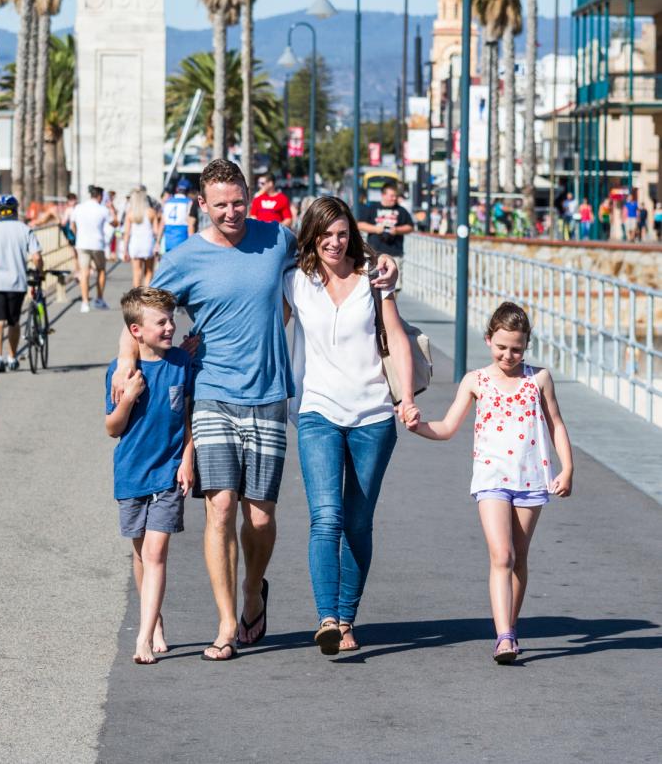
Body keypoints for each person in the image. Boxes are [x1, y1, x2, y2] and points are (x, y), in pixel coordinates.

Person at [111, 159, 400, 661]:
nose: (231, 212)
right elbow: (141, 309)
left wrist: (382, 260)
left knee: (260, 518)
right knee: (220, 505)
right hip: (212, 391)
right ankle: (226, 622)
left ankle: (252, 590)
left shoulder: (275, 239)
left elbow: (331, 245)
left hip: (268, 394)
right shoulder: (184, 258)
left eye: (238, 202)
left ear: (249, 196)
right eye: (220, 204)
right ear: (202, 204)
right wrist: (123, 361)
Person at [284, 196, 419, 655]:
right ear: (311, 236)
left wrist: (406, 398)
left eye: (342, 234)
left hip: (373, 415)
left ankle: (346, 618)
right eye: (326, 234)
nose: (334, 242)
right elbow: (265, 325)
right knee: (327, 517)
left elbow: (395, 336)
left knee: (358, 522)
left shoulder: (373, 279)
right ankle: (326, 618)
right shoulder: (295, 282)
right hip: (317, 411)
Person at [414, 301, 574, 664]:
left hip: (531, 478)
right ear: (488, 339)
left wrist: (567, 469)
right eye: (501, 347)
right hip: (491, 478)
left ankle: (510, 627)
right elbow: (448, 427)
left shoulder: (538, 379)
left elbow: (556, 424)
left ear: (527, 344)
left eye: (516, 348)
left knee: (519, 558)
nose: (508, 355)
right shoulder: (476, 380)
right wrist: (417, 426)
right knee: (502, 555)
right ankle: (503, 637)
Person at [105, 287, 194, 665]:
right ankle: (153, 621)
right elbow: (112, 428)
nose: (170, 327)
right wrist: (128, 397)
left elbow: (188, 417)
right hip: (131, 473)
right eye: (161, 322)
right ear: (136, 331)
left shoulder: (182, 363)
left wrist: (187, 459)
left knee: (156, 552)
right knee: (141, 554)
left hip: (168, 471)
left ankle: (142, 638)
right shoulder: (122, 371)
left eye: (171, 319)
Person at [0, 194, 44, 372]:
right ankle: (12, 357)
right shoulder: (25, 230)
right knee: (14, 322)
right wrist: (40, 272)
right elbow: (37, 257)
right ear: (15, 211)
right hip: (17, 282)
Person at [357, 180, 414, 288]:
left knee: (394, 287)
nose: (394, 198)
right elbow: (359, 224)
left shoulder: (401, 210)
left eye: (395, 196)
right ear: (383, 195)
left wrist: (397, 230)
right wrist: (375, 229)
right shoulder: (372, 208)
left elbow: (410, 227)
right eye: (392, 196)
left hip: (394, 254)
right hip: (374, 254)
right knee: (373, 284)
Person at [72, 185, 110, 313]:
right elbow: (114, 223)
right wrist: (111, 208)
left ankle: (85, 302)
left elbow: (72, 225)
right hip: (98, 244)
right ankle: (99, 298)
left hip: (82, 243)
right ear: (99, 196)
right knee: (101, 270)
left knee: (84, 272)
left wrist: (78, 236)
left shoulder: (79, 207)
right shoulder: (103, 209)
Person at [123, 187, 160, 288]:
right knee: (148, 272)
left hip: (135, 244)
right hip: (148, 243)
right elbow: (156, 232)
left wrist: (125, 250)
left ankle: (137, 295)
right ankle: (145, 295)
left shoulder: (130, 213)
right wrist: (157, 244)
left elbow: (127, 233)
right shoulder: (151, 212)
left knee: (136, 273)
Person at [161, 178, 194, 252]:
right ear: (188, 191)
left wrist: (158, 242)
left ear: (177, 189)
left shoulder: (167, 202)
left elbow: (162, 223)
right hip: (183, 240)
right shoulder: (189, 202)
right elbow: (190, 224)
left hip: (168, 241)